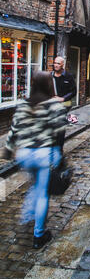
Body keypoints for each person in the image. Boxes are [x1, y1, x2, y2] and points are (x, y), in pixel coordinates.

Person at [3, 71, 66, 249]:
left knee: (35, 185)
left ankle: (28, 212)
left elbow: (14, 129)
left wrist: (8, 149)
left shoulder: (23, 105)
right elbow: (60, 127)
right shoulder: (51, 104)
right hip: (43, 154)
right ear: (49, 85)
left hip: (24, 155)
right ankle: (39, 234)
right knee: (42, 194)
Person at [52, 56, 77, 151]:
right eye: (55, 63)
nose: (56, 65)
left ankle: (58, 149)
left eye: (58, 63)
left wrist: (62, 98)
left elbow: (73, 91)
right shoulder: (50, 76)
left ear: (63, 64)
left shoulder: (68, 76)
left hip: (64, 104)